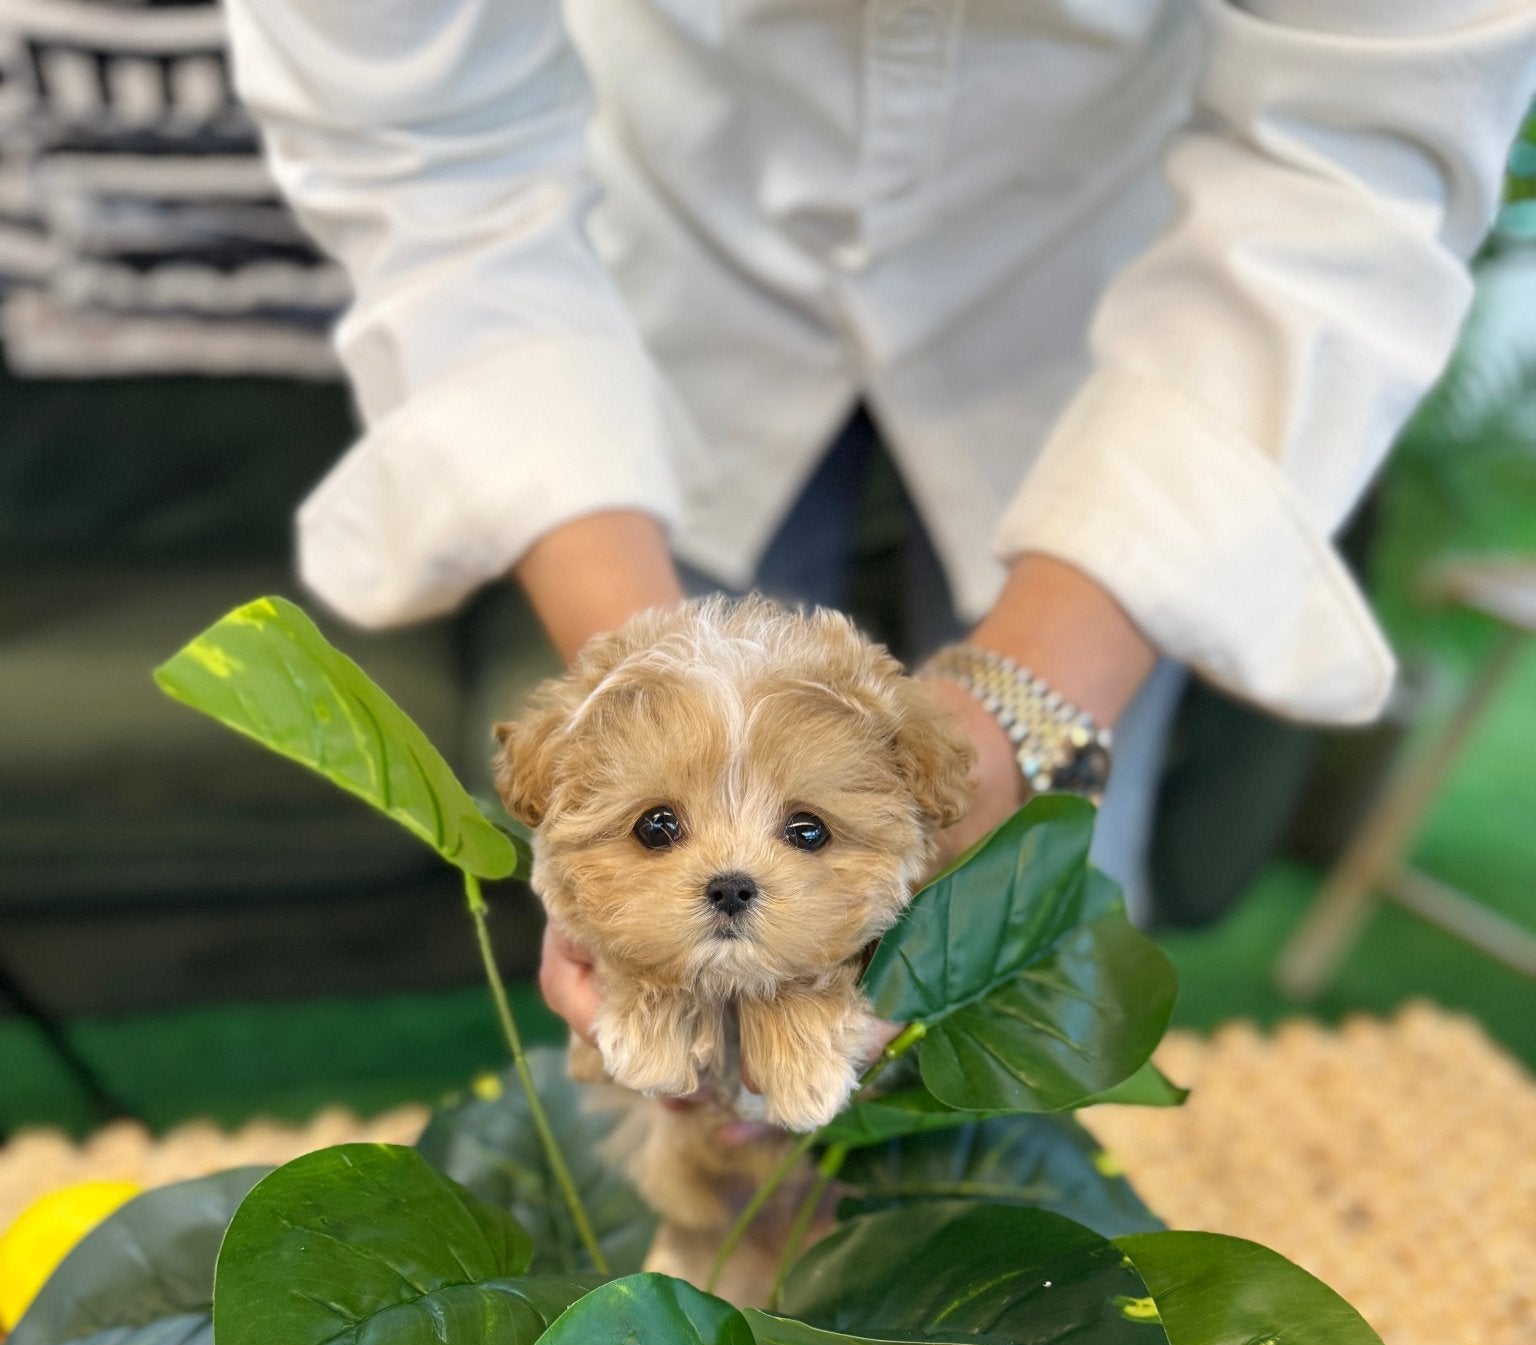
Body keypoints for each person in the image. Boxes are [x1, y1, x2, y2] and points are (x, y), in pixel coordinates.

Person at [226, 0, 1536, 1052]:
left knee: (1029, 953)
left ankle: (1010, 1297)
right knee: (674, 994)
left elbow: (1357, 149)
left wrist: (1028, 703)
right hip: (682, 213)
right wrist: (651, 710)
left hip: (1112, 264)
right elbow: (420, 148)